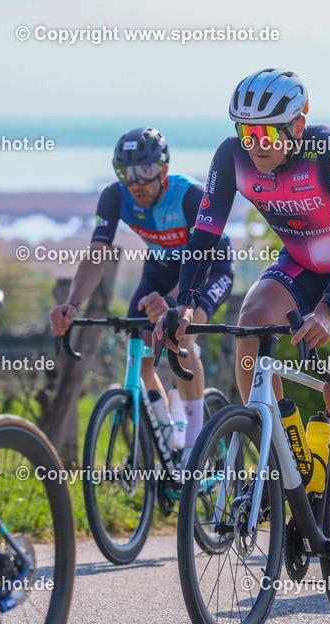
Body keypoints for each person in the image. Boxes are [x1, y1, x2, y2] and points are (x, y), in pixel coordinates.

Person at [156, 68, 330, 580]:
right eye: (248, 132)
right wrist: (187, 303)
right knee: (251, 322)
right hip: (304, 267)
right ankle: (289, 454)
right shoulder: (232, 157)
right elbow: (204, 235)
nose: (257, 144)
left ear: (298, 124)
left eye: (267, 133)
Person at [50, 127, 234, 463]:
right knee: (143, 355)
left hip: (208, 270)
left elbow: (203, 259)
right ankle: (168, 435)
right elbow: (96, 257)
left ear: (163, 170)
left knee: (181, 334)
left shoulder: (190, 195)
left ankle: (194, 446)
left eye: (145, 172)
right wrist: (72, 304)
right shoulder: (114, 196)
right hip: (160, 270)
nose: (135, 183)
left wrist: (178, 301)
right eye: (126, 173)